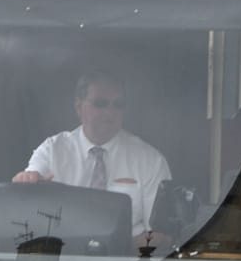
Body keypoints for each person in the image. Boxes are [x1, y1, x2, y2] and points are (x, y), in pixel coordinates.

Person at [13, 69, 172, 237]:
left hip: (127, 258)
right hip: (60, 256)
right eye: (100, 104)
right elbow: (32, 182)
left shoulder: (150, 160)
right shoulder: (52, 150)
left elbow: (160, 235)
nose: (110, 113)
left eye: (118, 105)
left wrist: (113, 251)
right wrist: (27, 182)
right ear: (79, 107)